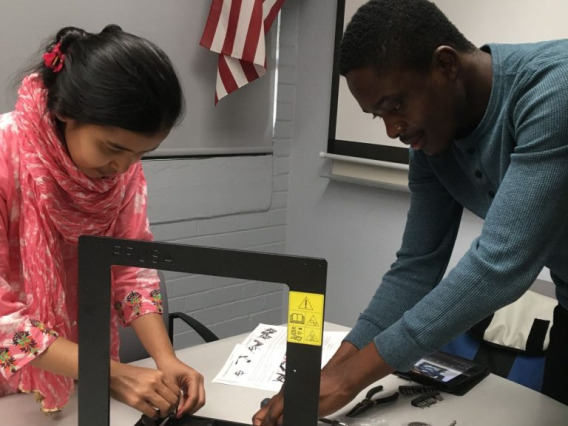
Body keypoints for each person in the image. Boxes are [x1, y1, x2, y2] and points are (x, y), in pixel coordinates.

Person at [254, 0, 568, 423]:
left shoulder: (553, 90)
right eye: (377, 115)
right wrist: (323, 376)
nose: (392, 130)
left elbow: (500, 265)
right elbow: (417, 268)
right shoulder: (433, 141)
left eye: (396, 106)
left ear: (445, 65)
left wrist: (350, 381)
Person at [0, 25, 205, 419]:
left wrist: (166, 360)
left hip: (74, 371)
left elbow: (131, 267)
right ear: (64, 112)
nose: (124, 167)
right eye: (113, 149)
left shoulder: (120, 173)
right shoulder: (8, 157)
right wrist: (112, 373)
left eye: (140, 154)